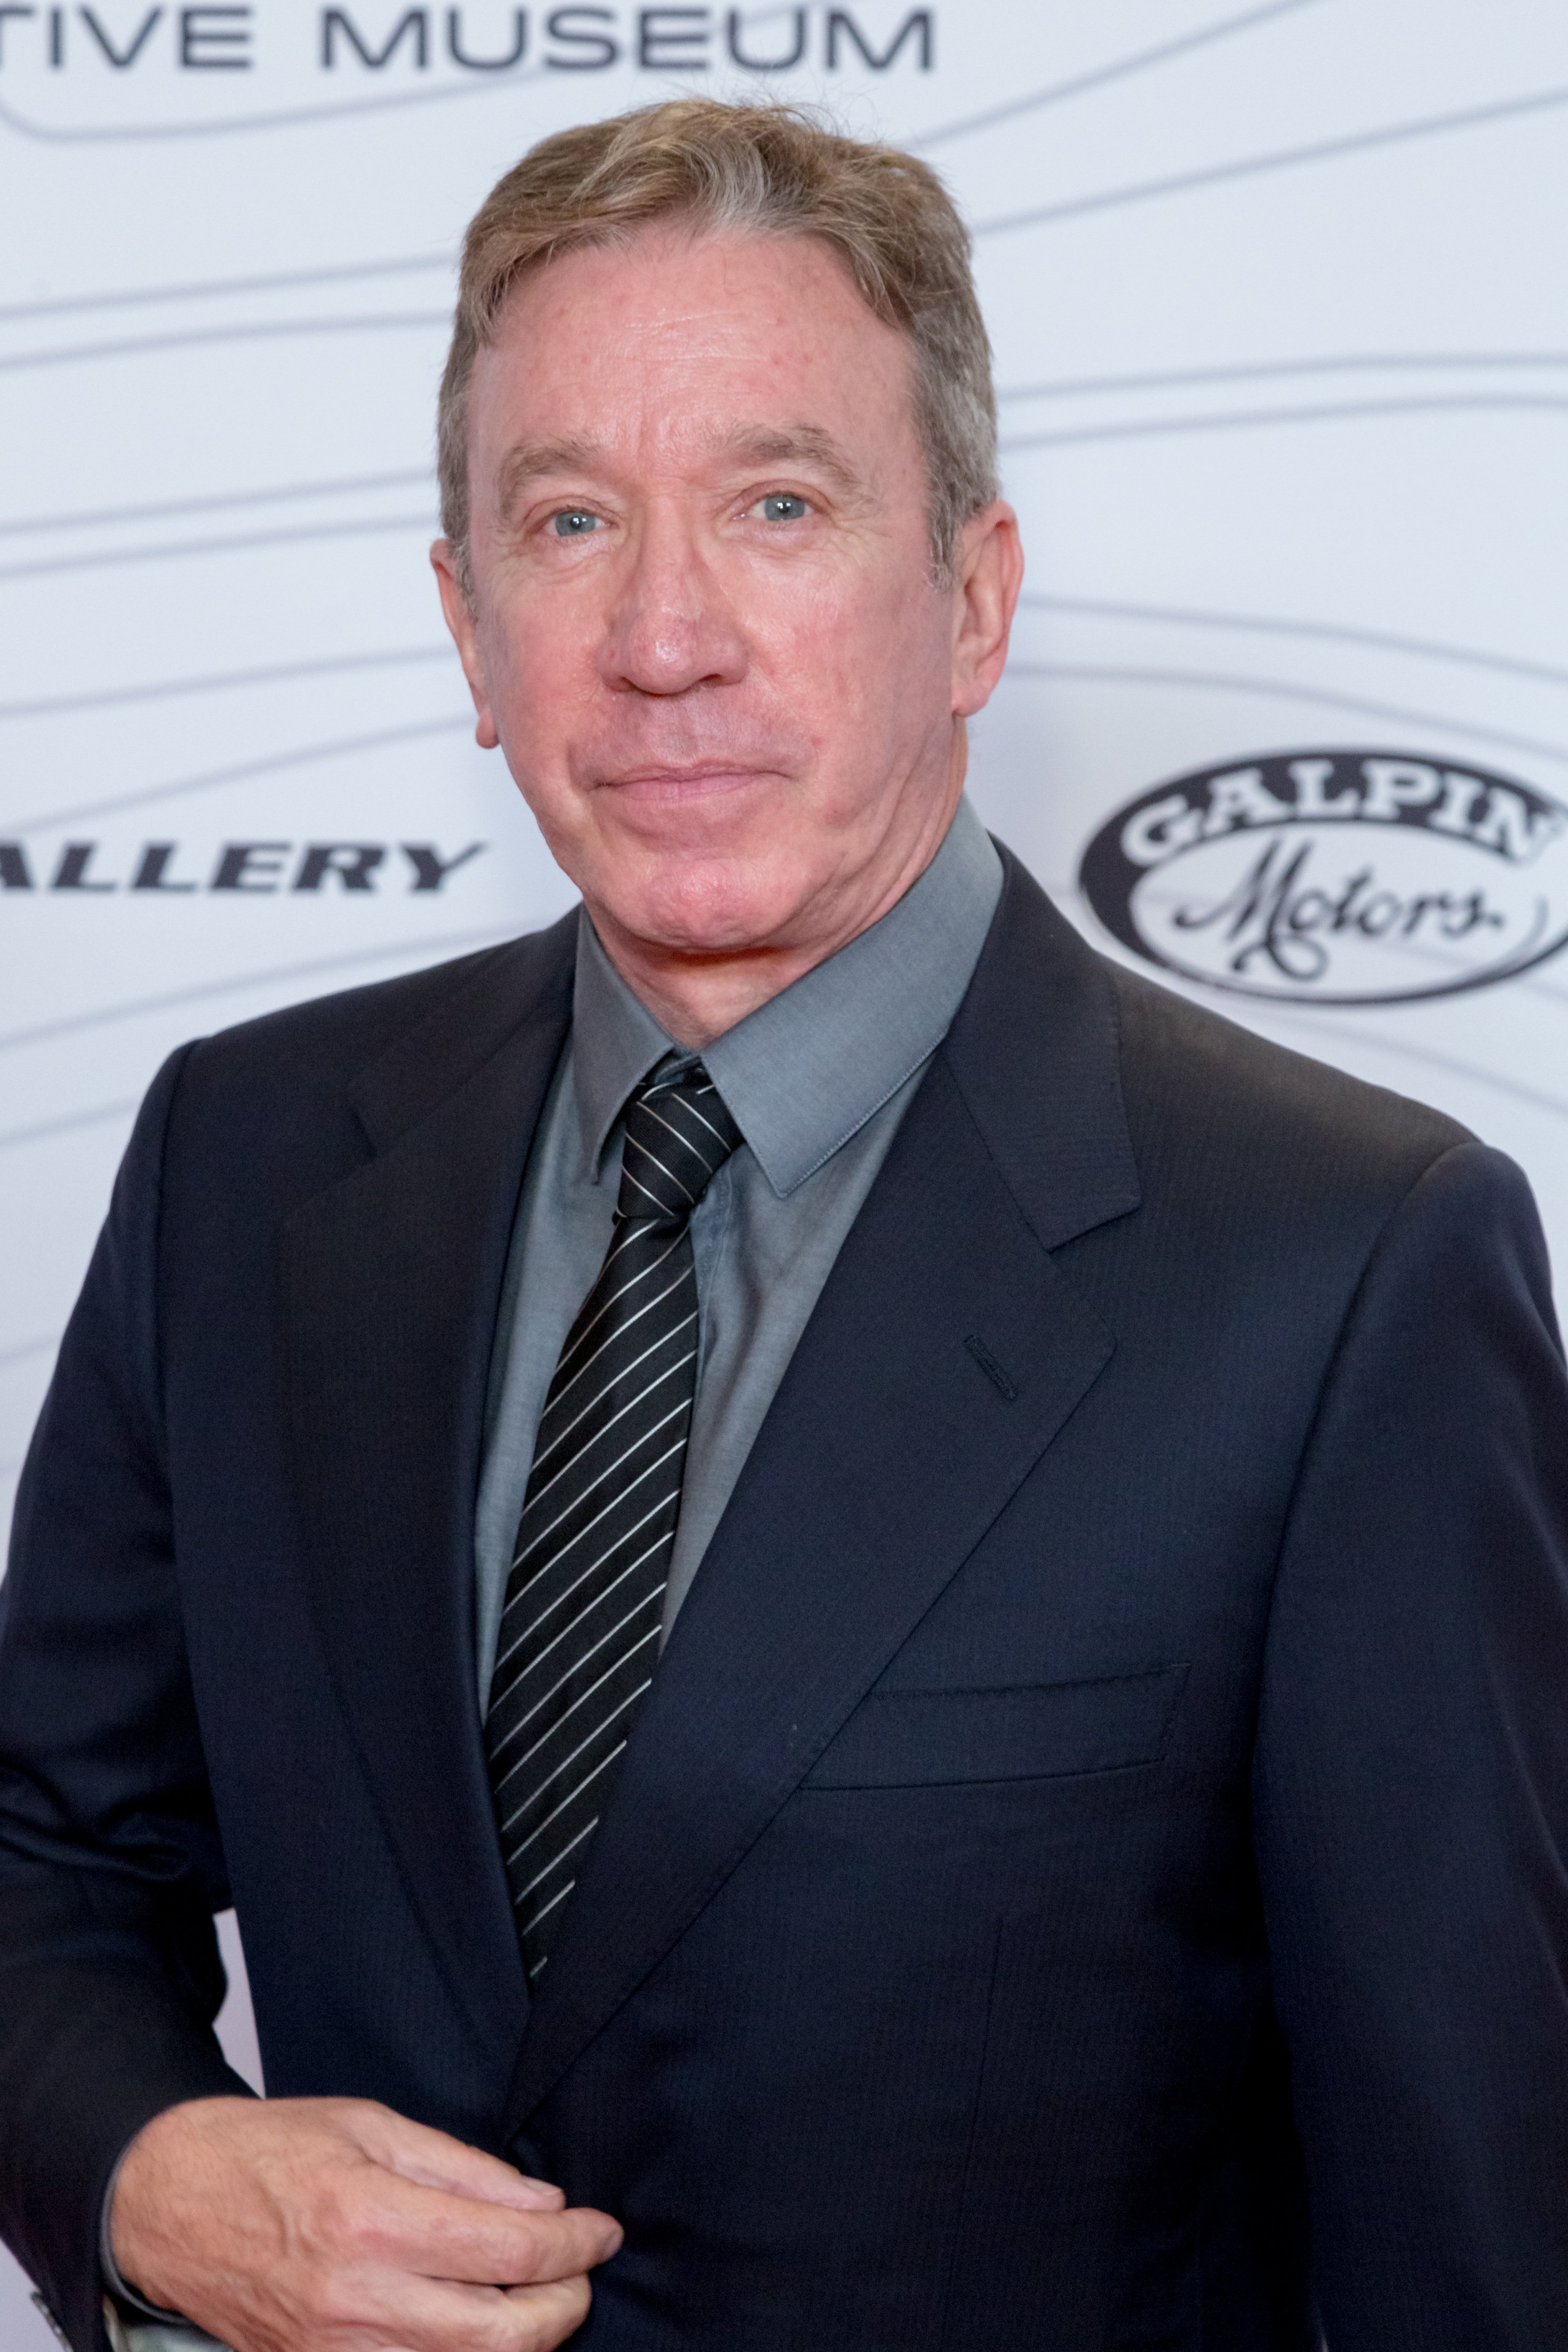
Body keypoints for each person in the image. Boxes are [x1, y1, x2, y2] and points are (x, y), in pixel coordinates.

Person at [2, 97, 1567, 2352]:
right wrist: (144, 2176)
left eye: (777, 504)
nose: (663, 637)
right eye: (566, 520)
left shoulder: (1345, 1271)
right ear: (467, 624)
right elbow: (45, 1859)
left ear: (974, 601)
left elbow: (1469, 2245)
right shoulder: (242, 1162)